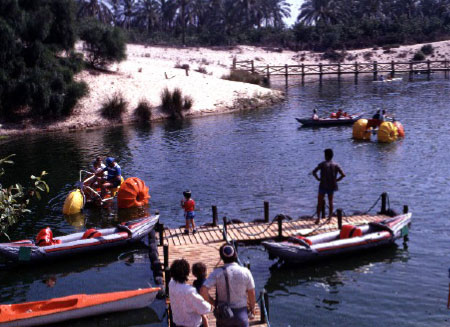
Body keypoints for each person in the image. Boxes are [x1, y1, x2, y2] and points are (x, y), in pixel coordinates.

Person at [200, 244, 256, 327]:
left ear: (221, 257)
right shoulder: (245, 272)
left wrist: (214, 303)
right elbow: (251, 293)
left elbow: (203, 290)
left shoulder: (217, 273)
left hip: (224, 315)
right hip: (241, 315)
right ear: (236, 255)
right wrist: (252, 308)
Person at [169, 259, 211, 327]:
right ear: (187, 272)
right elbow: (206, 308)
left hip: (177, 324)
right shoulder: (189, 291)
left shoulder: (171, 284)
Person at [312, 149, 346, 224]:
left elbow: (314, 172)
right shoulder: (336, 165)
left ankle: (318, 218)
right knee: (330, 202)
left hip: (323, 185)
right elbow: (343, 175)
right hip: (331, 185)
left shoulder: (322, 164)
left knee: (319, 202)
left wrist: (318, 179)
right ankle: (330, 218)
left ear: (326, 156)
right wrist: (336, 180)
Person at [192, 262, 209, 327]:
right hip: (205, 302)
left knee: (203, 317)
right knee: (205, 317)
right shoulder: (207, 282)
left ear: (194, 274)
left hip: (198, 303)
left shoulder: (195, 282)